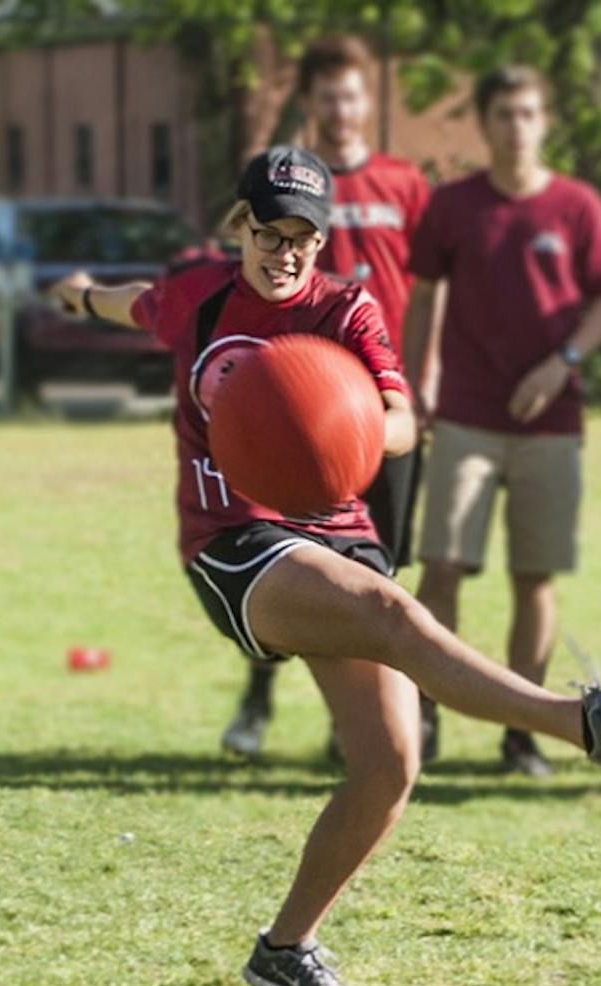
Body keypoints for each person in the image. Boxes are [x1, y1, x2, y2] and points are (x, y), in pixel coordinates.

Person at [49, 145, 601, 986]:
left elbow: (403, 419)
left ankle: (284, 948)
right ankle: (585, 722)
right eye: (271, 233)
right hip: (237, 543)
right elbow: (132, 304)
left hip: (337, 530)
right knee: (389, 609)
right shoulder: (198, 296)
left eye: (306, 235)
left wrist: (349, 427)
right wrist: (79, 294)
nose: (288, 252)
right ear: (242, 226)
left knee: (388, 765)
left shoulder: (346, 306)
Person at [403, 64, 601, 778]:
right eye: (504, 113)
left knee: (533, 578)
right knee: (441, 569)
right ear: (484, 121)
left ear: (546, 121)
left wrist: (561, 361)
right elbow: (423, 298)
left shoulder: (576, 206)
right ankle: (423, 712)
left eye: (529, 113)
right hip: (467, 415)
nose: (517, 126)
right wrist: (416, 386)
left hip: (551, 418)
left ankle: (522, 733)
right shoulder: (453, 205)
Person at [220, 35, 435, 764]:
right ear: (308, 105)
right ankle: (257, 698)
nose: (340, 110)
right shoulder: (289, 190)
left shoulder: (405, 183)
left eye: (350, 95)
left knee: (379, 569)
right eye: (326, 98)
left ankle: (372, 729)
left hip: (380, 407)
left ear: (365, 100)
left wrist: (423, 381)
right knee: (286, 562)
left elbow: (435, 285)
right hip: (296, 412)